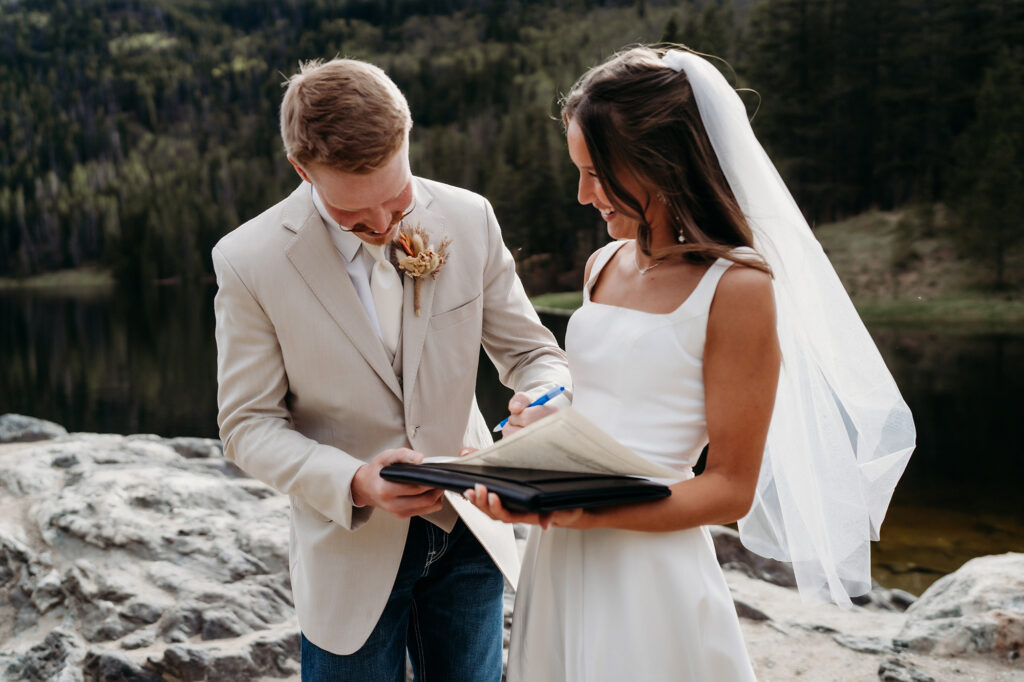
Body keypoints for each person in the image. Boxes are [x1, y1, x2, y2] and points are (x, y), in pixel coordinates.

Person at [468, 46, 916, 681]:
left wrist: (587, 509)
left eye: (596, 174)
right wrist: (545, 424)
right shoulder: (604, 266)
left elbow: (728, 487)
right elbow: (615, 400)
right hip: (560, 551)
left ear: (659, 164)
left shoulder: (736, 289)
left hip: (647, 569)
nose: (581, 194)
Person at [212, 58, 570, 682]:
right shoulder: (249, 261)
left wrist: (546, 399)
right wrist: (356, 481)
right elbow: (247, 425)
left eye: (397, 200)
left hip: (469, 532)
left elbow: (537, 355)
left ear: (407, 139)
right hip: (349, 550)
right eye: (356, 215)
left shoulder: (468, 216)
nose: (382, 227)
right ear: (302, 170)